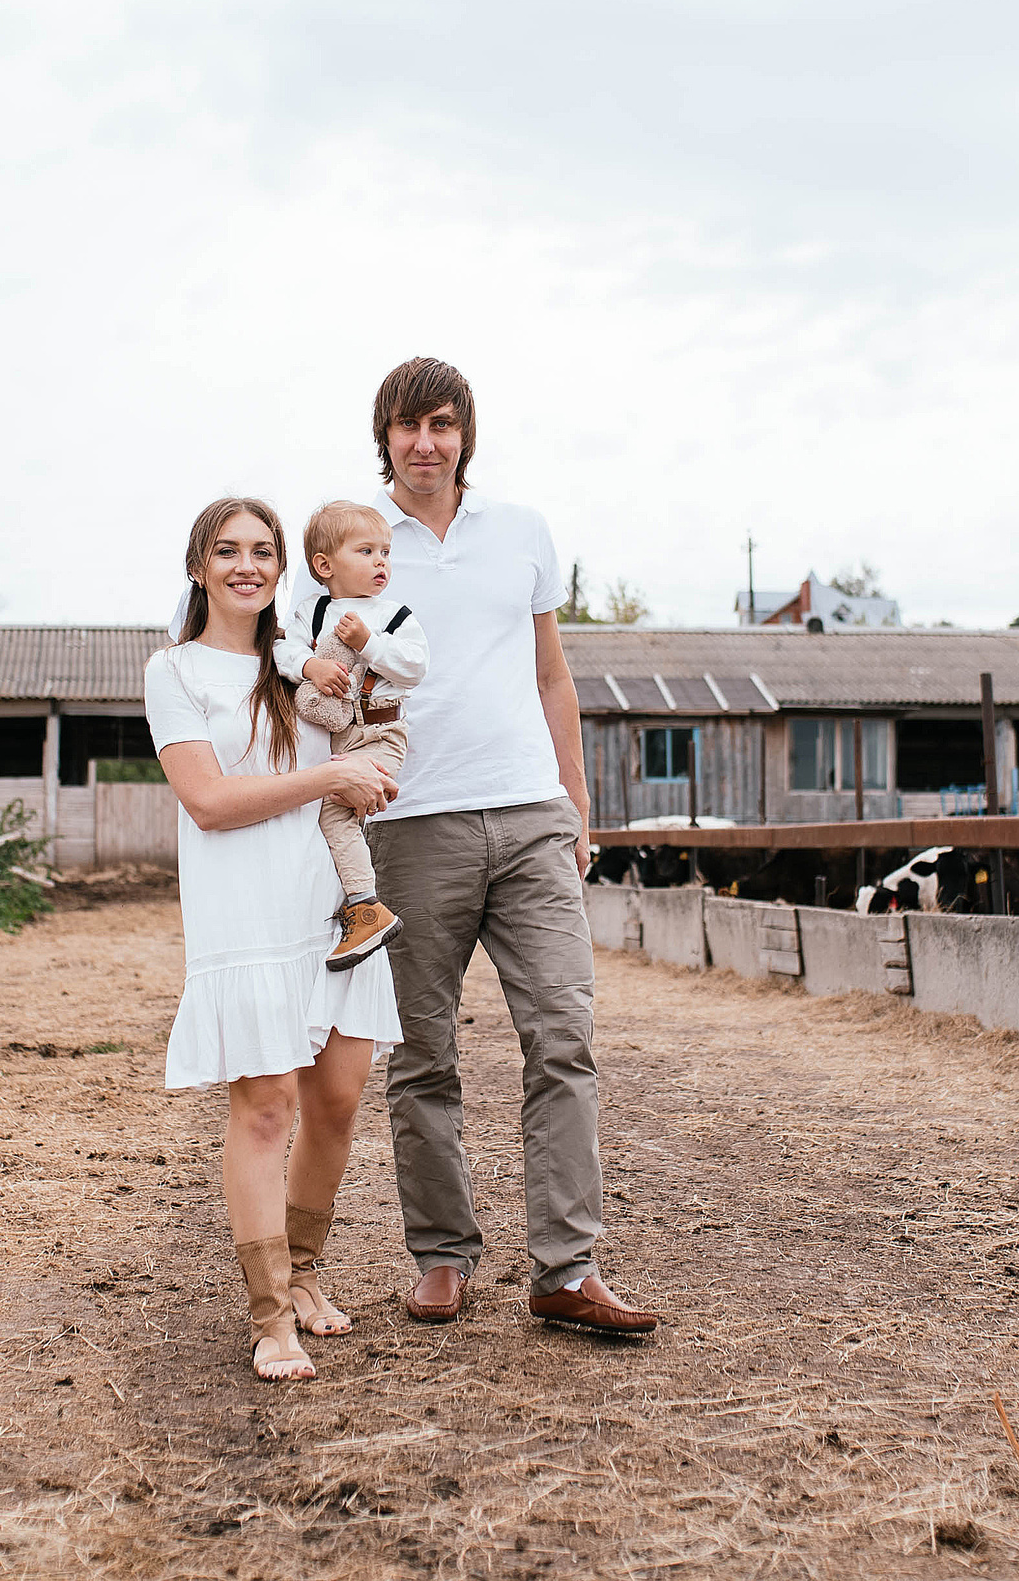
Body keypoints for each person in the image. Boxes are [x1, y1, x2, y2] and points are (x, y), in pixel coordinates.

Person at [361, 357, 662, 1336]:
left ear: (464, 436)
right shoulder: (358, 546)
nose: (424, 443)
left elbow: (552, 677)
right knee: (421, 1054)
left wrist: (576, 803)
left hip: (530, 814)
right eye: (407, 426)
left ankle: (565, 1269)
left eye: (441, 424)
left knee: (563, 1039)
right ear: (384, 439)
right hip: (411, 822)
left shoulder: (522, 533)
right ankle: (441, 1257)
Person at [145, 496, 405, 1381]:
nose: (247, 565)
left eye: (263, 551)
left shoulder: (305, 661)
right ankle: (268, 1315)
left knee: (337, 1099)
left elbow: (374, 709)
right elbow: (210, 803)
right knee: (265, 1108)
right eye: (228, 551)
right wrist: (334, 772)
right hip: (247, 910)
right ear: (199, 568)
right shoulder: (175, 672)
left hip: (329, 901)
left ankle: (305, 1275)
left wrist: (370, 766)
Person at [276, 499, 430, 972]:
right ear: (325, 565)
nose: (381, 561)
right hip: (334, 737)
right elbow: (282, 652)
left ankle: (366, 907)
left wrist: (369, 643)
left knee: (336, 816)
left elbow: (415, 666)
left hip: (381, 733)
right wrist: (311, 666)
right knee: (332, 818)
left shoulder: (394, 615)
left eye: (385, 551)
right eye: (366, 551)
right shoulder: (312, 610)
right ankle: (347, 903)